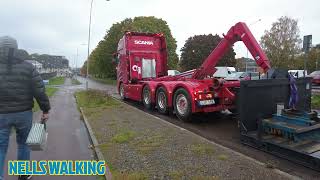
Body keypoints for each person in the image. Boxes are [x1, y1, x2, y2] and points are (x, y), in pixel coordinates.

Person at [0, 36, 50, 180]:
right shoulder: (28, 67)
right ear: (16, 49)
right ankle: (23, 174)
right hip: (23, 113)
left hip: (1, 114)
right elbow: (39, 90)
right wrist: (45, 110)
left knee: (1, 146)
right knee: (23, 144)